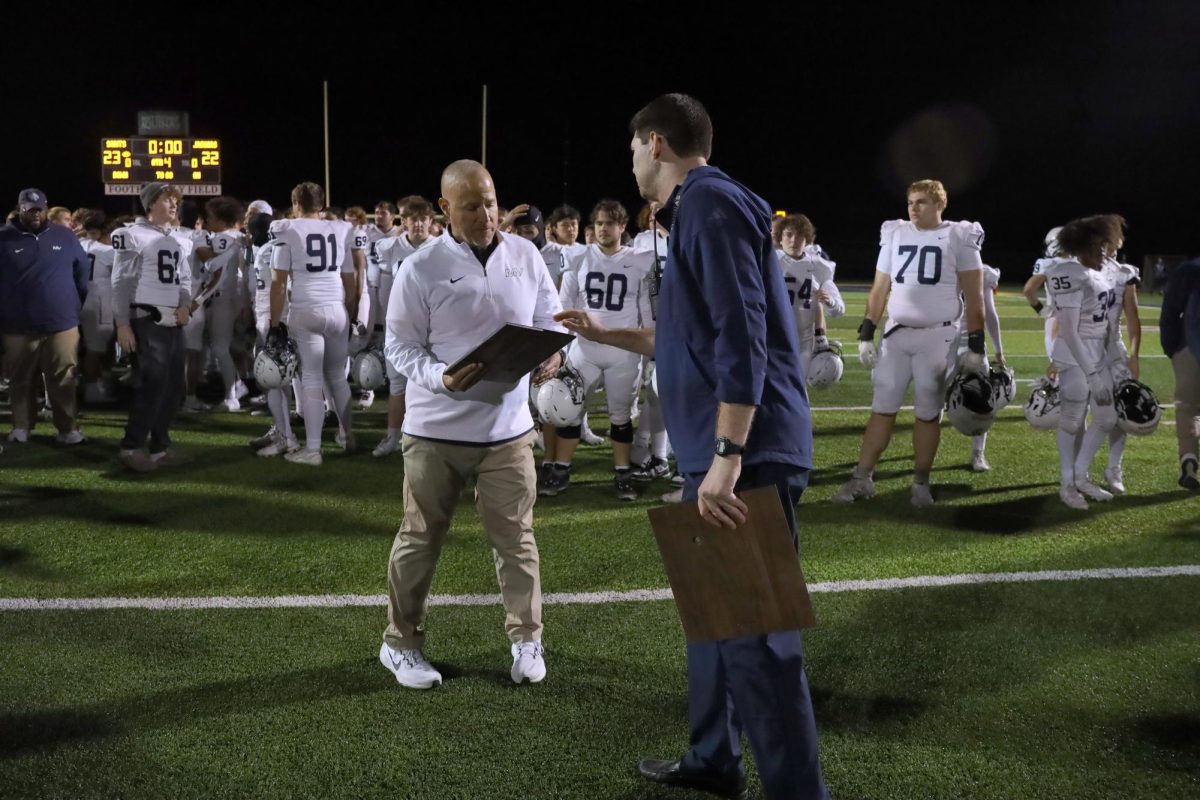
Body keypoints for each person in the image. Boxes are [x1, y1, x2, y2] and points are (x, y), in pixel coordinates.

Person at [557, 93, 828, 800]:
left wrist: (730, 458)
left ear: (654, 143)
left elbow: (742, 334)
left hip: (743, 450)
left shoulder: (709, 204)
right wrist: (605, 332)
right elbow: (687, 334)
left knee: (758, 638)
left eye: (632, 149)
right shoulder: (697, 213)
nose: (631, 162)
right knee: (712, 624)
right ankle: (714, 757)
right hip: (719, 448)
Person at [380, 159, 564, 690]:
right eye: (470, 206)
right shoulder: (420, 267)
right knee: (420, 539)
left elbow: (549, 316)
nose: (485, 215)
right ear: (444, 209)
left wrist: (551, 353)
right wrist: (441, 377)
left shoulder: (525, 254)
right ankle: (400, 644)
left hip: (508, 430)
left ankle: (527, 638)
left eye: (489, 202)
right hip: (435, 430)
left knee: (518, 540)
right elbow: (399, 345)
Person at [832, 178, 987, 508]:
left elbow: (975, 299)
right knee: (881, 408)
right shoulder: (895, 232)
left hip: (938, 336)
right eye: (911, 202)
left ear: (939, 205)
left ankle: (920, 483)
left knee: (927, 413)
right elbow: (879, 289)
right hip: (897, 334)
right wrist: (865, 333)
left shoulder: (959, 235)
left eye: (922, 202)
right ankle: (862, 478)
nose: (914, 208)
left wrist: (976, 346)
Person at [548, 199, 655, 500]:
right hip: (584, 349)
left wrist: (648, 349)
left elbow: (645, 308)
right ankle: (560, 468)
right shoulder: (579, 256)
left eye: (610, 223)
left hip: (623, 350)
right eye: (599, 223)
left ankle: (622, 473)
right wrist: (560, 350)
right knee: (570, 413)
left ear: (622, 227)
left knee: (620, 415)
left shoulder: (638, 259)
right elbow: (563, 307)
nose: (603, 228)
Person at [268, 182, 362, 466]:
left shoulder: (287, 229)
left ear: (295, 203)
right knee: (336, 376)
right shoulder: (342, 229)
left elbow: (278, 284)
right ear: (321, 205)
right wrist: (352, 315)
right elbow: (351, 281)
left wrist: (274, 324)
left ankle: (313, 449)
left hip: (306, 308)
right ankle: (347, 436)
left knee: (310, 378)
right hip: (337, 308)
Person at [1043, 214, 1127, 509]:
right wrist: (1091, 373)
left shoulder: (1101, 272)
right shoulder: (1069, 273)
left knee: (1106, 417)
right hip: (1074, 354)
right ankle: (1067, 483)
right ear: (1079, 248)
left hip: (1097, 353)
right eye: (1095, 247)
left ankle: (1080, 476)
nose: (1102, 252)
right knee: (1072, 420)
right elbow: (1068, 329)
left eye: (1104, 245)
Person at [111, 182, 195, 470]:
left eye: (175, 201)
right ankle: (131, 446)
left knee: (173, 386)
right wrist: (123, 324)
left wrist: (185, 304)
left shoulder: (181, 238)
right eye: (166, 200)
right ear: (150, 204)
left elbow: (184, 279)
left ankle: (160, 447)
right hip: (146, 317)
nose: (173, 205)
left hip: (173, 319)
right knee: (151, 384)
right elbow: (120, 282)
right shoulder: (131, 235)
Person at [0, 188, 90, 445]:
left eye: (39, 209)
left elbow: (81, 274)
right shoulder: (3, 237)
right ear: (20, 209)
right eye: (29, 209)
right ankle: (21, 426)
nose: (35, 214)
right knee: (20, 377)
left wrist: (71, 306)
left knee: (64, 377)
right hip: (17, 324)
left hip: (61, 321)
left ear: (46, 208)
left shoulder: (65, 235)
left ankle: (67, 429)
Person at [371, 195, 437, 457]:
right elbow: (385, 288)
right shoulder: (389, 247)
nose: (418, 224)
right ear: (404, 221)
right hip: (399, 326)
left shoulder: (441, 247)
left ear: (431, 221)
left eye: (423, 219)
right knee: (397, 385)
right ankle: (392, 436)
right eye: (413, 219)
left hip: (432, 328)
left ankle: (429, 438)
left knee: (430, 383)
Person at [1161, 255, 1200, 489]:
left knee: (1187, 407)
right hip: (1189, 346)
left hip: (1191, 347)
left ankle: (1189, 462)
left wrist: (1173, 348)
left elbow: (1170, 311)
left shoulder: (1190, 269)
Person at [78, 210, 117, 404]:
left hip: (78, 298)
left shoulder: (78, 244)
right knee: (96, 348)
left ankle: (92, 386)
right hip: (100, 298)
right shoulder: (107, 251)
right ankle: (92, 390)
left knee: (86, 347)